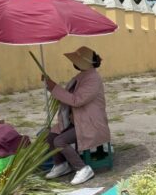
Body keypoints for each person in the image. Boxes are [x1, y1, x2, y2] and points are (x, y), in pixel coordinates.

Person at [43, 46, 110, 185]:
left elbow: (77, 100)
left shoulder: (93, 79)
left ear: (84, 63)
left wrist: (54, 87)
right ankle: (61, 165)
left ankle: (83, 169)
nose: (74, 63)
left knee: (60, 141)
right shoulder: (81, 76)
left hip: (90, 123)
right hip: (77, 121)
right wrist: (51, 86)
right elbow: (68, 97)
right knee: (50, 136)